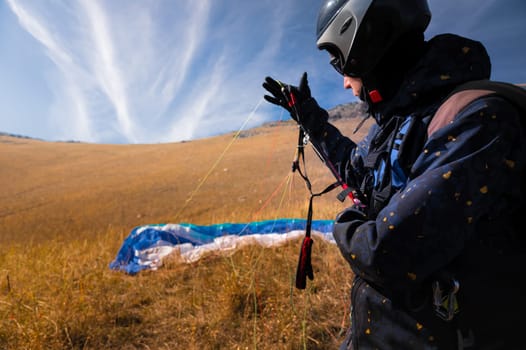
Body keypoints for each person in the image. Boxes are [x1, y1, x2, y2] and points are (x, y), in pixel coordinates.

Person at [262, 0, 526, 349]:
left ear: (364, 45)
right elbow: (355, 171)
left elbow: (387, 252)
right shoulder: (400, 125)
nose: (343, 83)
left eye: (341, 63)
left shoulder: (479, 120)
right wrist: (308, 116)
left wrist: (348, 220)